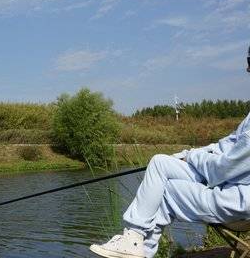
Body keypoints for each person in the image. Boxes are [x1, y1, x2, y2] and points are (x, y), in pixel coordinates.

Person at [90, 45, 250, 258]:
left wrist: (192, 157)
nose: (247, 69)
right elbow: (224, 146)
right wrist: (188, 153)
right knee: (159, 162)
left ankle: (140, 248)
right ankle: (133, 240)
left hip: (238, 202)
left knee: (165, 194)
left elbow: (223, 170)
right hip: (233, 186)